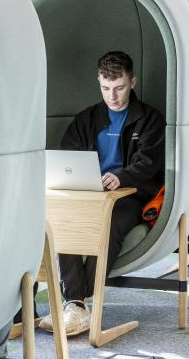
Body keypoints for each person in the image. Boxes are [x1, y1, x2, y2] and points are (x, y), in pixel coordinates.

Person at [39, 51, 165, 336]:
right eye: (106, 88)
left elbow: (149, 164)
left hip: (130, 195)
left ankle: (75, 304)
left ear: (132, 82)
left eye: (119, 87)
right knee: (64, 222)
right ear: (99, 82)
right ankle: (76, 304)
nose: (113, 96)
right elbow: (68, 154)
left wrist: (120, 177)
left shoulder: (150, 120)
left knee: (107, 225)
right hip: (89, 193)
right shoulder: (88, 118)